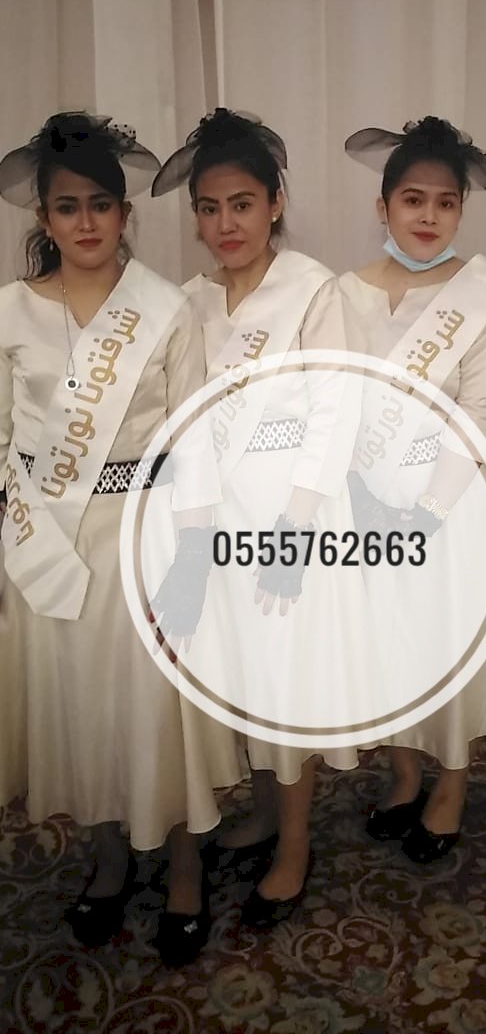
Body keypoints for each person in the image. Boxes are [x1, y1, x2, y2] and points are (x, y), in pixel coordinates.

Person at [0, 112, 243, 966]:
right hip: (47, 542)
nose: (87, 222)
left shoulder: (163, 308)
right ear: (44, 218)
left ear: (125, 213)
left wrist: (193, 560)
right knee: (83, 710)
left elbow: (195, 442)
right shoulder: (8, 312)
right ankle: (108, 855)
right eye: (68, 207)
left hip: (146, 534)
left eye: (102, 204)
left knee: (152, 713)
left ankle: (184, 863)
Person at [152, 108, 365, 926]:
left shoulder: (313, 288)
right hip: (217, 516)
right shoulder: (188, 302)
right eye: (209, 208)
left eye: (242, 204)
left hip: (290, 511)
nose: (225, 224)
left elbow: (335, 413)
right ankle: (268, 813)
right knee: (243, 679)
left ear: (275, 202)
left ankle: (296, 844)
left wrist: (298, 529)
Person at [340, 115, 486, 862]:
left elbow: (480, 414)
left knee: (443, 649)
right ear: (382, 206)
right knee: (388, 647)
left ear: (460, 211)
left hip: (447, 505)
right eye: (412, 199)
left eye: (445, 203)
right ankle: (405, 772)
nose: (428, 216)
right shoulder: (343, 292)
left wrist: (426, 512)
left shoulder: (484, 297)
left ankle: (450, 784)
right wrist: (359, 498)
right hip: (364, 500)